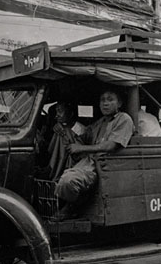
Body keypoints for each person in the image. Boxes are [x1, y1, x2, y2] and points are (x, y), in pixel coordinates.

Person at [55, 89, 135, 219]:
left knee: (68, 182)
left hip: (104, 165)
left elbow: (110, 146)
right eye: (102, 100)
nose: (105, 103)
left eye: (110, 100)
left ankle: (74, 206)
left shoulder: (124, 119)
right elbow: (86, 133)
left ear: (119, 103)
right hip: (89, 163)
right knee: (57, 178)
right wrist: (67, 124)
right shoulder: (101, 122)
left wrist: (81, 148)